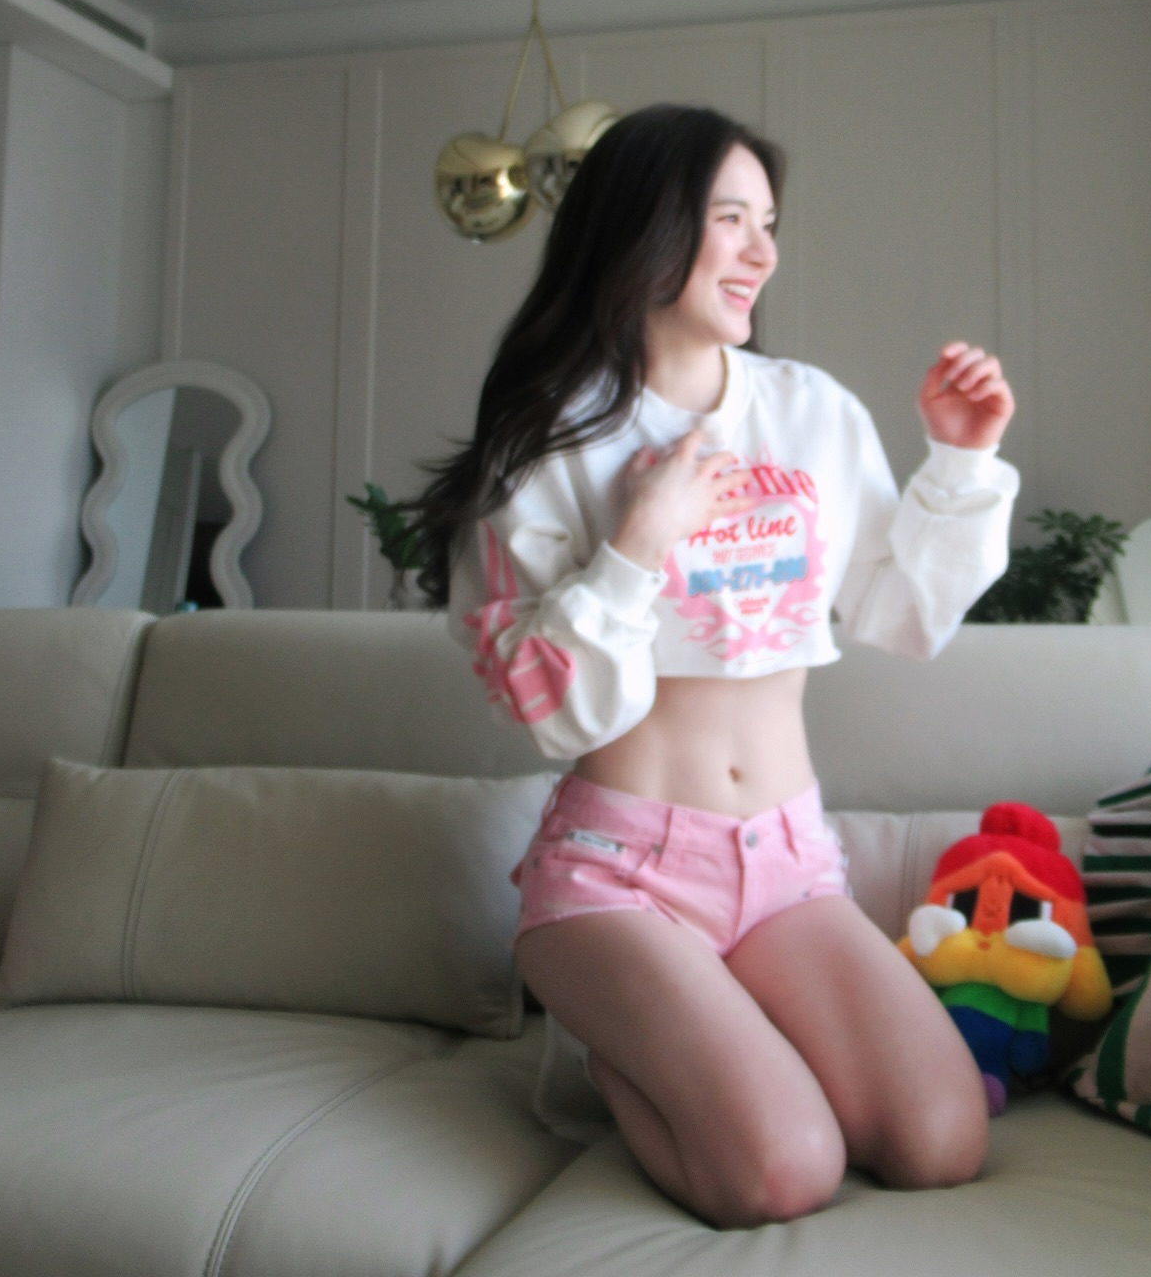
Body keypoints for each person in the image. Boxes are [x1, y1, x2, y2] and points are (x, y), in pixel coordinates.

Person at [415, 104, 1019, 1228]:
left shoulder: (811, 412)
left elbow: (897, 615)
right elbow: (553, 713)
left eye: (769, 224)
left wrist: (960, 461)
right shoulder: (545, 445)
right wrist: (637, 542)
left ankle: (708, 1028)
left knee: (942, 1141)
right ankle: (618, 1049)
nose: (762, 252)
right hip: (619, 877)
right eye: (730, 219)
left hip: (788, 862)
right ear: (643, 228)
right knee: (785, 1172)